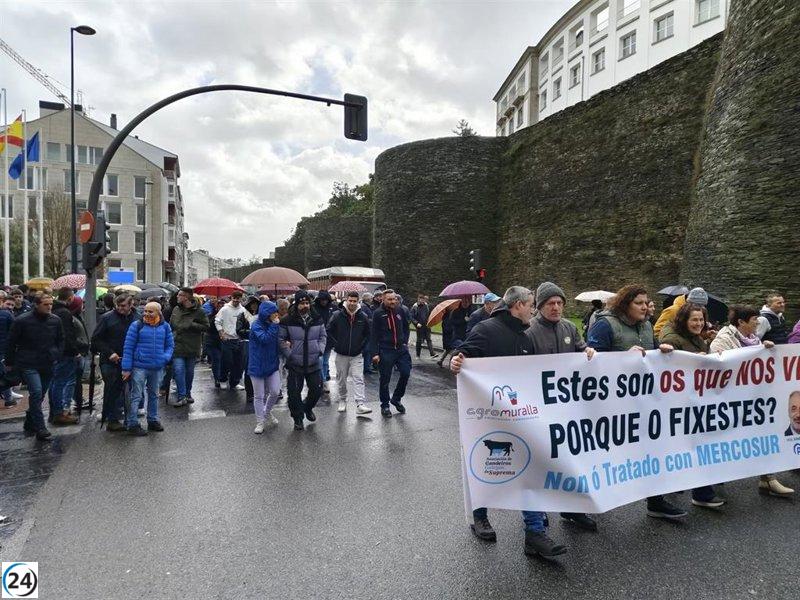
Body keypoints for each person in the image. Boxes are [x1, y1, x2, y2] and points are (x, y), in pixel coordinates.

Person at [450, 286, 566, 558]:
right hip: (486, 418)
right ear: (517, 306)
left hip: (521, 417)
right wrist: (457, 362)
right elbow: (464, 356)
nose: (534, 310)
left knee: (528, 466)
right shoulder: (486, 330)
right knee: (483, 465)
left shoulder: (524, 337)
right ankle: (480, 516)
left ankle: (534, 532)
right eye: (530, 305)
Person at [587, 284, 686, 520]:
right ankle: (592, 499)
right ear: (625, 303)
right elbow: (591, 362)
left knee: (652, 448)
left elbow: (647, 356)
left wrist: (660, 352)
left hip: (642, 402)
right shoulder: (605, 325)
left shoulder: (646, 325)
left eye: (646, 302)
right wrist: (622, 358)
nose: (645, 307)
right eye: (639, 303)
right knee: (604, 454)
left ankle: (656, 500)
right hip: (610, 404)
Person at [527, 282, 598, 532]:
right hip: (539, 407)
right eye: (550, 303)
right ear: (540, 306)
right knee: (542, 460)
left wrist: (588, 351)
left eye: (559, 303)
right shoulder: (529, 330)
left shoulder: (569, 327)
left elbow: (580, 351)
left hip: (568, 407)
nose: (556, 307)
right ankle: (540, 508)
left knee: (571, 459)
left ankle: (572, 508)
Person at [710, 305, 793, 497]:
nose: (758, 322)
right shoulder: (723, 339)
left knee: (764, 433)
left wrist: (766, 351)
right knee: (725, 438)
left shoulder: (754, 340)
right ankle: (712, 475)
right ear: (741, 322)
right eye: (754, 319)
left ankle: (768, 479)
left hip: (753, 397)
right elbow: (718, 366)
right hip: (730, 400)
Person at [660, 303, 727, 509]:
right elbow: (667, 372)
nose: (698, 323)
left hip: (696, 402)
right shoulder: (673, 340)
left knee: (697, 445)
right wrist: (690, 361)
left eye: (701, 319)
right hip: (679, 405)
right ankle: (700, 492)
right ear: (684, 321)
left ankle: (697, 489)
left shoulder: (699, 340)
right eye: (694, 320)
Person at [5, 292, 64, 441]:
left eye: (51, 304)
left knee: (40, 393)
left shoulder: (55, 320)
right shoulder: (22, 321)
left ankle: (31, 420)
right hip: (28, 363)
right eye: (46, 304)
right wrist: (10, 362)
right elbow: (11, 342)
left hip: (48, 362)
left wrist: (56, 354)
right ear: (37, 305)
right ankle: (40, 427)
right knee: (36, 392)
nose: (49, 307)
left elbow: (61, 339)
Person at [122, 302, 174, 436]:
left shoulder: (165, 327)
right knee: (136, 396)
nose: (146, 314)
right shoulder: (137, 325)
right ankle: (132, 423)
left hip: (157, 367)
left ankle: (153, 420)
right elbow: (128, 347)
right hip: (139, 367)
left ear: (158, 313)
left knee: (154, 395)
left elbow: (170, 345)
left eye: (150, 311)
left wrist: (165, 357)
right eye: (145, 311)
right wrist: (126, 368)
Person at [280, 290, 326, 430]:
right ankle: (297, 418)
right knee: (294, 392)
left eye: (307, 303)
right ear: (296, 304)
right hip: (295, 363)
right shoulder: (287, 320)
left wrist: (320, 349)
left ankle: (307, 407)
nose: (305, 306)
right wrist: (290, 354)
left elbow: (323, 336)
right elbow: (281, 339)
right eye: (302, 303)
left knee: (317, 390)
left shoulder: (317, 318)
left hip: (313, 361)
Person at [91, 293, 138, 431]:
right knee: (112, 389)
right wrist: (109, 352)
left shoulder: (138, 318)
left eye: (123, 306)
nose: (119, 308)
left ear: (131, 305)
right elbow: (96, 339)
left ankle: (128, 417)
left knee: (129, 390)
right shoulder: (107, 318)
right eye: (117, 305)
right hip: (110, 360)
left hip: (129, 360)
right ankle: (112, 419)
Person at [326, 291, 372, 415]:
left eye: (354, 301)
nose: (352, 303)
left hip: (357, 353)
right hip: (341, 353)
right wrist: (336, 344)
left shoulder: (363, 317)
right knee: (341, 379)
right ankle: (342, 399)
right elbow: (329, 331)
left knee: (358, 378)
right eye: (350, 300)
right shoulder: (337, 315)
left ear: (358, 301)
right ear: (346, 300)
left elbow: (368, 334)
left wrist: (362, 347)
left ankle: (360, 403)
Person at [369, 289, 411, 418]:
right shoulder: (378, 314)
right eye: (390, 299)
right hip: (386, 350)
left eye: (394, 299)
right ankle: (385, 405)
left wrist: (404, 342)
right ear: (383, 299)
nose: (393, 301)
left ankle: (396, 398)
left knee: (405, 373)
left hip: (401, 350)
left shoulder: (400, 310)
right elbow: (374, 334)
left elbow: (405, 327)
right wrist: (375, 353)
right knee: (385, 379)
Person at [48, 288, 86, 426]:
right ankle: (59, 413)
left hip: (57, 352)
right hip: (66, 354)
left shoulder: (55, 311)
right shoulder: (64, 313)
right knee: (61, 382)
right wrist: (75, 351)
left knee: (56, 382)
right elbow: (67, 335)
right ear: (70, 298)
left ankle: (55, 411)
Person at [169, 287, 209, 407]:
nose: (177, 297)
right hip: (178, 344)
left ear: (186, 298)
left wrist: (191, 324)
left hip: (192, 345)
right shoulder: (176, 309)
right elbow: (172, 324)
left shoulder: (199, 311)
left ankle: (187, 393)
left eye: (180, 295)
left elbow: (206, 326)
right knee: (179, 370)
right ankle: (181, 396)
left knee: (189, 372)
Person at [248, 301, 282, 434]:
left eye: (276, 312)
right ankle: (260, 421)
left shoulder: (275, 324)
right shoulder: (256, 325)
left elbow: (277, 340)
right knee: (259, 395)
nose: (276, 315)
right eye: (273, 312)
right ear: (266, 313)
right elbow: (265, 339)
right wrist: (274, 325)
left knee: (275, 391)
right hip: (257, 365)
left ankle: (266, 412)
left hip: (272, 364)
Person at [215, 291, 246, 391]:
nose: (236, 300)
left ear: (241, 299)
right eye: (234, 298)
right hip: (227, 339)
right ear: (231, 298)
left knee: (238, 362)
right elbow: (217, 321)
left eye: (238, 298)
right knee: (226, 361)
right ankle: (223, 380)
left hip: (239, 339)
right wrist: (220, 332)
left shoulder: (243, 310)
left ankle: (235, 382)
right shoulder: (224, 309)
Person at [236, 296, 260, 403]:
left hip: (260, 344)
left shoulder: (262, 316)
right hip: (247, 343)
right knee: (249, 369)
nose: (254, 306)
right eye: (252, 304)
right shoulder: (242, 315)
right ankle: (250, 393)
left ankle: (259, 392)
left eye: (256, 304)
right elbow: (239, 330)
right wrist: (251, 332)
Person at [313, 291, 335, 394]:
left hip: (329, 339)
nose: (324, 302)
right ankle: (321, 381)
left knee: (325, 362)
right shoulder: (313, 308)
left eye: (325, 300)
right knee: (320, 362)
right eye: (322, 300)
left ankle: (323, 381)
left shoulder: (332, 309)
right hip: (316, 339)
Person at [0, 294, 16, 407]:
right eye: (8, 304)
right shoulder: (7, 315)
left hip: (3, 349)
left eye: (12, 305)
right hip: (4, 350)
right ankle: (9, 399)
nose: (10, 306)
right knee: (4, 374)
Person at [410, 294, 435, 358]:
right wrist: (416, 323)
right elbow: (411, 317)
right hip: (419, 326)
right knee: (419, 341)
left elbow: (428, 314)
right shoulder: (415, 307)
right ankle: (418, 354)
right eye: (420, 299)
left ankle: (432, 353)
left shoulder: (426, 306)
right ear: (418, 299)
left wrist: (430, 322)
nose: (422, 301)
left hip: (426, 325)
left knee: (428, 339)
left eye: (423, 299)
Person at [360, 293, 375, 374]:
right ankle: (366, 368)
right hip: (366, 332)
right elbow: (364, 319)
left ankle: (367, 367)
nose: (372, 299)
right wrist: (371, 320)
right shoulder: (364, 307)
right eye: (371, 298)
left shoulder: (367, 307)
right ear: (367, 299)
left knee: (367, 350)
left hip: (368, 332)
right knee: (366, 350)